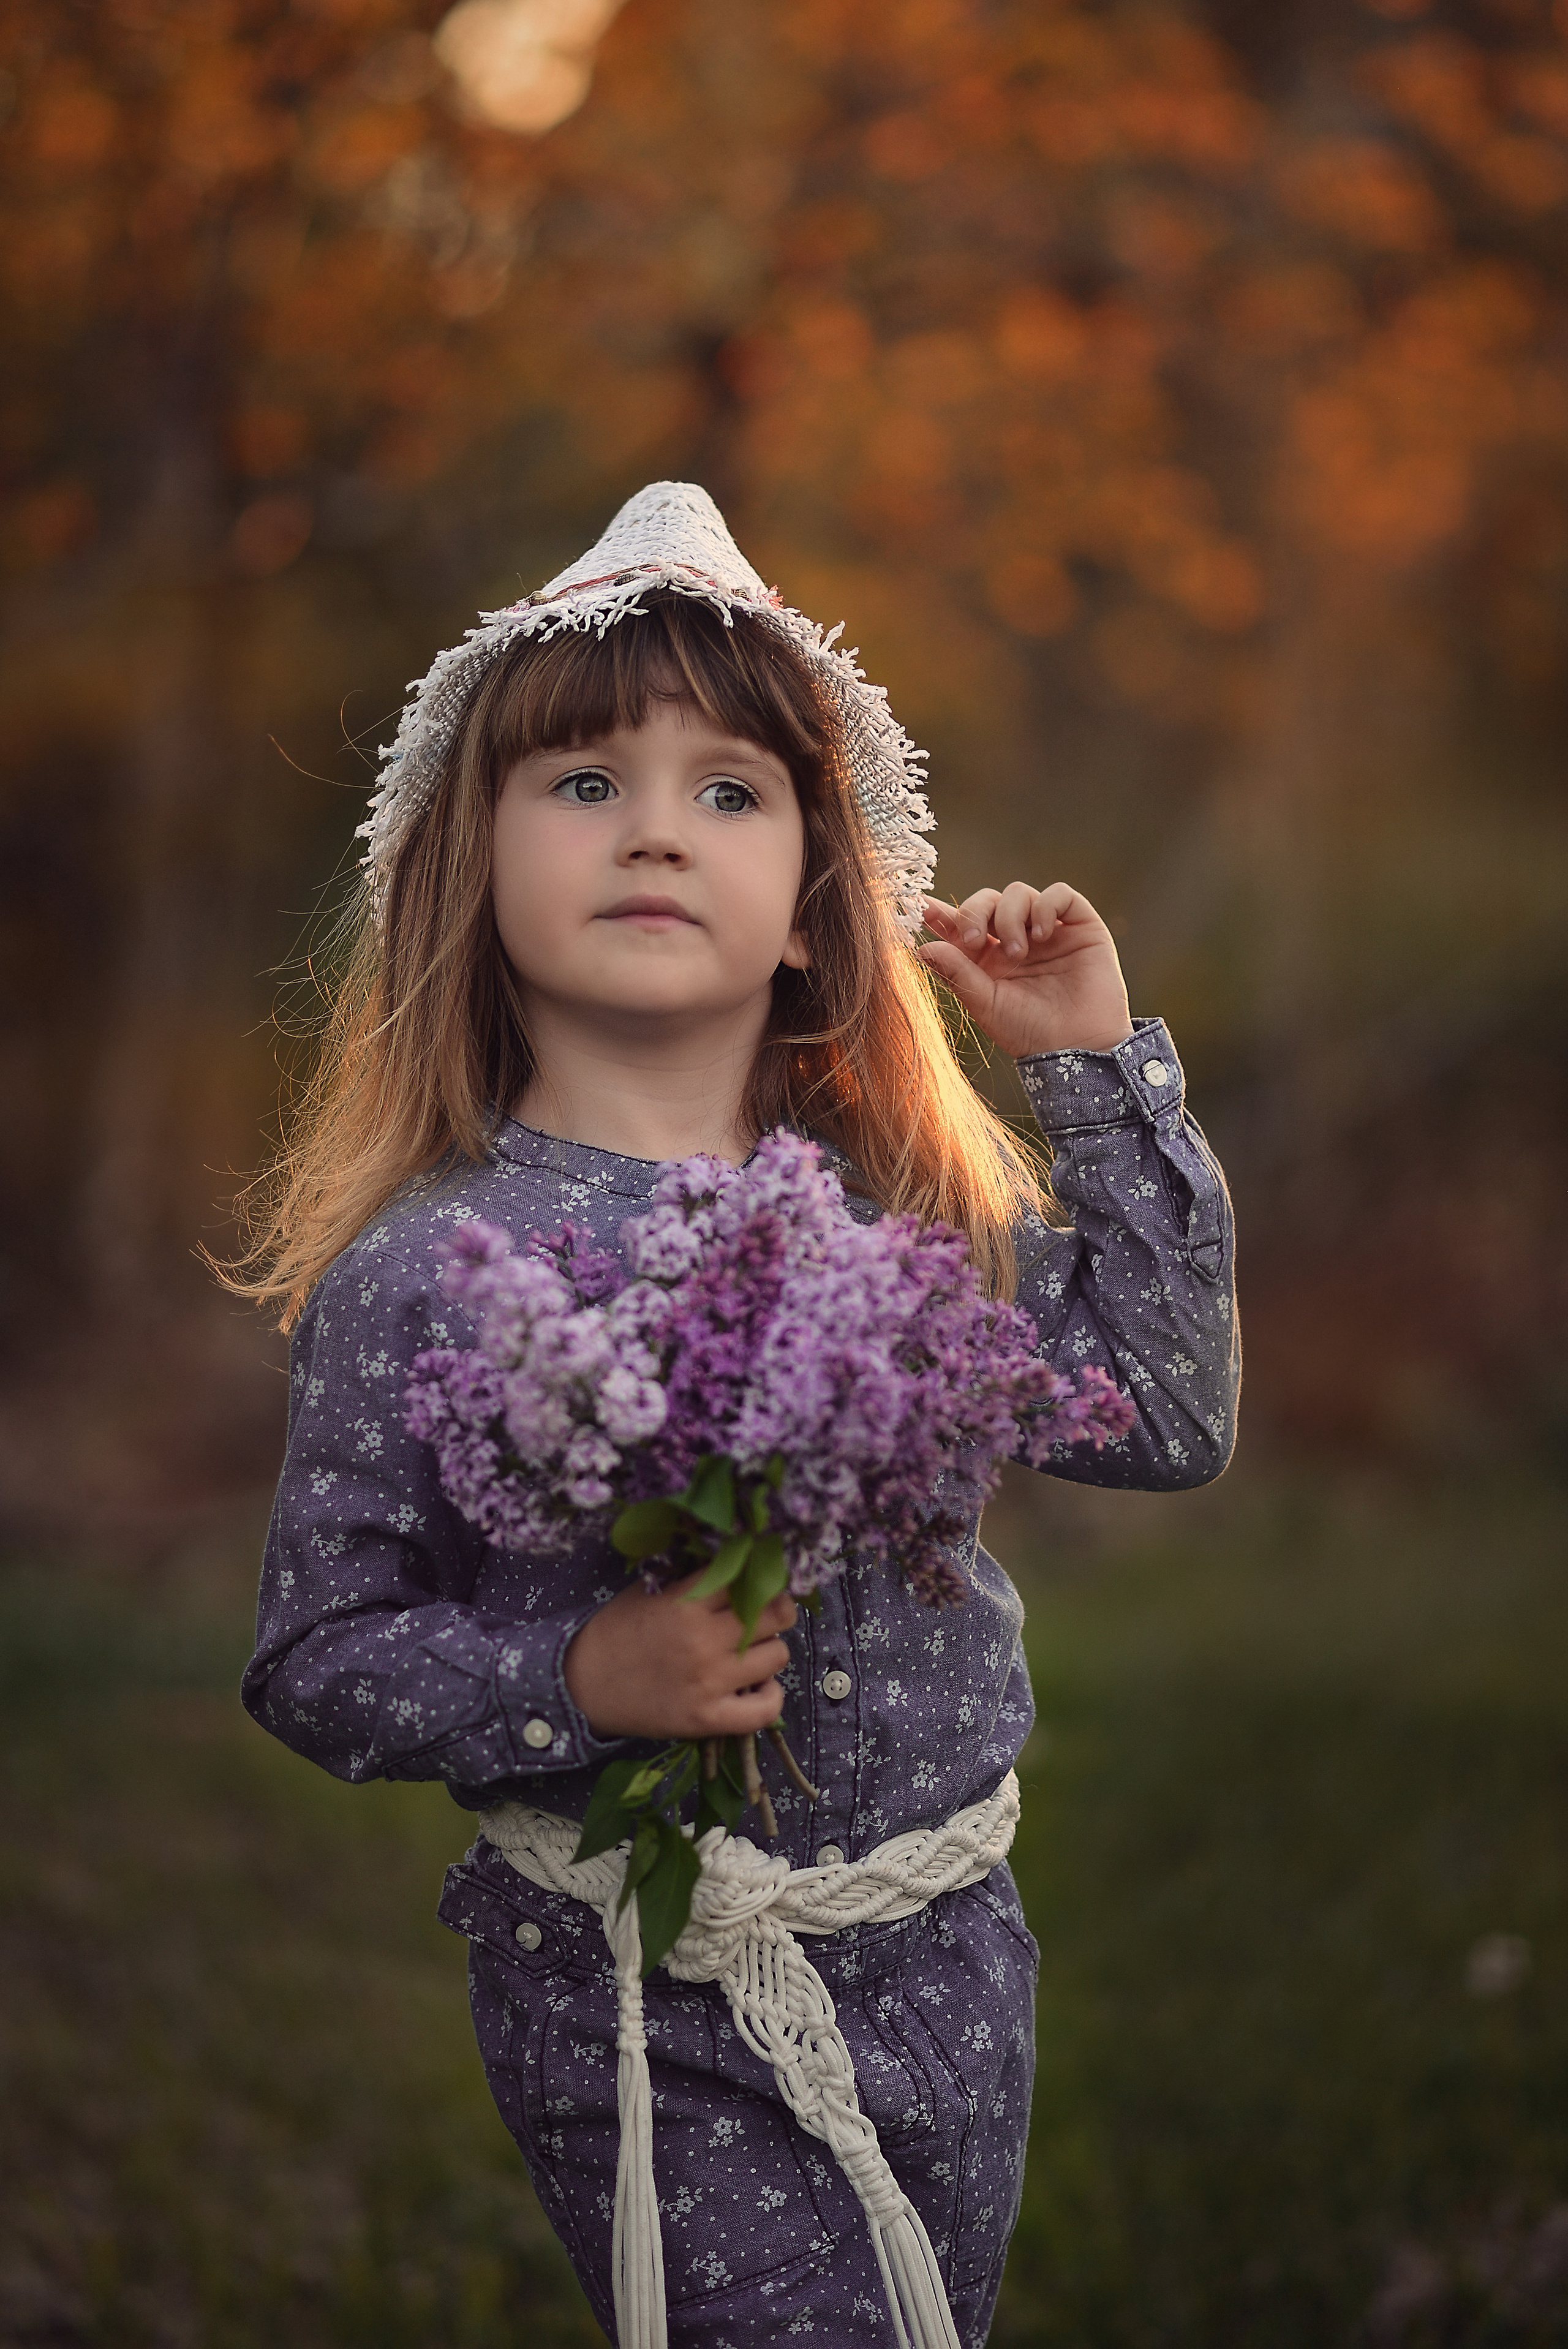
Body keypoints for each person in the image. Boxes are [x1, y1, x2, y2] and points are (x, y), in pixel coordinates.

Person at [233, 481, 1239, 2348]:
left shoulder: (898, 1225)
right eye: (584, 782)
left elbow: (1164, 1412)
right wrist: (579, 1678)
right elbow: (317, 1651)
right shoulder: (432, 1268)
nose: (654, 832)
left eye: (727, 791)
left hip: (948, 1952)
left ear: (811, 899)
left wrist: (1095, 1073)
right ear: (475, 859)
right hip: (646, 1978)